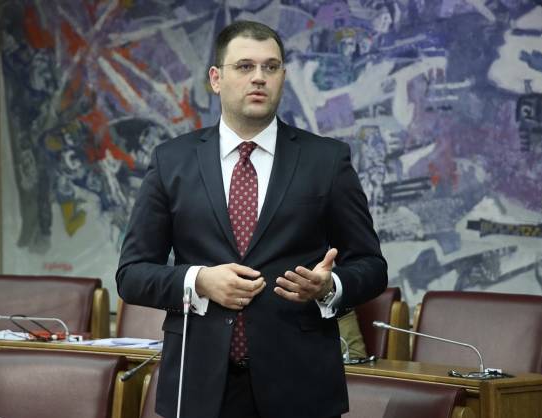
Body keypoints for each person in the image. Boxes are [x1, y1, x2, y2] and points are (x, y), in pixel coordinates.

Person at [116, 20, 387, 418]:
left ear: (282, 77)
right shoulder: (172, 161)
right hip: (199, 386)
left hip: (300, 386)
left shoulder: (326, 161)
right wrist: (199, 281)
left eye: (270, 67)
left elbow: (372, 266)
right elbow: (132, 274)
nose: (259, 77)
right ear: (216, 79)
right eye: (245, 66)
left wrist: (330, 287)